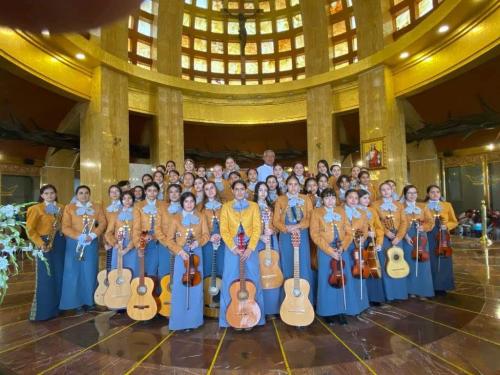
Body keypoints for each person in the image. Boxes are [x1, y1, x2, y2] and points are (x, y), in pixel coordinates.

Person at [219, 180, 265, 328]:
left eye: (242, 189)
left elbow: (257, 228)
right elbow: (223, 229)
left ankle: (254, 317)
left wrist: (251, 248)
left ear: (246, 190)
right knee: (230, 279)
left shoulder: (254, 206)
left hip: (250, 246)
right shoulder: (226, 207)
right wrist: (233, 248)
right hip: (232, 247)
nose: (239, 192)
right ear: (232, 191)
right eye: (236, 189)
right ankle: (231, 318)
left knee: (253, 278)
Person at [164, 192, 209, 331]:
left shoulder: (201, 217)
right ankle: (179, 322)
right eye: (186, 201)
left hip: (196, 254)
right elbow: (169, 240)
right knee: (180, 287)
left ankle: (194, 321)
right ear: (182, 203)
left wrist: (198, 243)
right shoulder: (175, 219)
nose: (189, 204)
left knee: (195, 286)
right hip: (181, 256)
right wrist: (180, 251)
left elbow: (206, 235)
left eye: (191, 201)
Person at [310, 189, 353, 325]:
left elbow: (349, 232)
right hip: (325, 250)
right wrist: (330, 251)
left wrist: (343, 247)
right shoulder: (317, 213)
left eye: (332, 198)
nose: (330, 201)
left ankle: (341, 311)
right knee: (326, 280)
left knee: (341, 279)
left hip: (341, 249)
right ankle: (327, 312)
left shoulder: (341, 211)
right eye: (327, 198)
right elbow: (315, 234)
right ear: (322, 200)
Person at [60, 185, 106, 313]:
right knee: (74, 272)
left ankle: (89, 301)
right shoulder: (69, 208)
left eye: (86, 193)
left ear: (89, 194)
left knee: (90, 271)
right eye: (81, 193)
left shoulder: (97, 207)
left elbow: (102, 223)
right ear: (76, 195)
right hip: (74, 243)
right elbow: (65, 227)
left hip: (91, 243)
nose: (84, 195)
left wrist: (93, 235)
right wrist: (79, 236)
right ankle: (76, 302)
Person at [26, 184, 66, 320]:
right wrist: (41, 243)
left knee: (60, 274)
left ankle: (58, 308)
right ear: (42, 195)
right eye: (46, 193)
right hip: (44, 243)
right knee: (46, 276)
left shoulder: (62, 207)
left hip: (60, 243)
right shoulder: (35, 209)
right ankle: (44, 311)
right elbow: (30, 230)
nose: (50, 195)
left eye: (52, 193)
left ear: (56, 194)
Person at [273, 175, 314, 303]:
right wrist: (286, 228)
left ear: (299, 186)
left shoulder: (306, 199)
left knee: (303, 265)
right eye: (290, 184)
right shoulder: (280, 200)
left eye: (295, 184)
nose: (293, 187)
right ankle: (288, 302)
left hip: (301, 235)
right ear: (286, 186)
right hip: (286, 237)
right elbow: (275, 221)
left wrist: (298, 226)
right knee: (288, 265)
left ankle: (306, 302)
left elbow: (310, 218)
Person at [372, 182, 408, 301]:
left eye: (388, 189)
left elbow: (404, 222)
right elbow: (377, 222)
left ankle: (400, 293)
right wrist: (387, 233)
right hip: (384, 238)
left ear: (392, 190)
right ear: (380, 192)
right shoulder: (375, 205)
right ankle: (389, 294)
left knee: (399, 262)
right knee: (386, 264)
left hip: (398, 238)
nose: (386, 191)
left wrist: (399, 236)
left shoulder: (399, 205)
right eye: (383, 190)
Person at [254, 181, 281, 317]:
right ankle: (260, 307)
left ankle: (273, 308)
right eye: (260, 190)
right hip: (258, 241)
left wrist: (273, 230)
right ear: (256, 192)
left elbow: (276, 224)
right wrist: (259, 236)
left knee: (273, 270)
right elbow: (248, 226)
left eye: (265, 190)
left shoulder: (271, 207)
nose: (263, 193)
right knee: (260, 272)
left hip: (271, 240)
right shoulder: (252, 207)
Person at [402, 185, 434, 298]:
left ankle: (423, 290)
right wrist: (405, 235)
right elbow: (399, 224)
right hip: (407, 237)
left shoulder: (423, 206)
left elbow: (431, 222)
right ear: (405, 194)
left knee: (423, 263)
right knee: (409, 261)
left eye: (414, 192)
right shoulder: (400, 207)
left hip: (421, 237)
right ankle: (411, 290)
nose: (412, 195)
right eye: (409, 193)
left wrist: (423, 227)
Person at [425, 184, 458, 295]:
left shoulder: (447, 205)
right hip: (429, 235)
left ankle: (443, 286)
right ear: (428, 194)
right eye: (432, 192)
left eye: (437, 192)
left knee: (444, 260)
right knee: (432, 260)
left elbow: (454, 221)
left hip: (443, 235)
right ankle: (432, 285)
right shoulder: (423, 206)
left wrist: (447, 226)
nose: (435, 194)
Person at [132, 182, 167, 279]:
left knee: (163, 269)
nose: (152, 193)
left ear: (158, 192)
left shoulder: (164, 205)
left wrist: (155, 236)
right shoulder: (138, 205)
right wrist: (138, 245)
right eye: (149, 191)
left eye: (155, 191)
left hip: (161, 238)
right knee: (146, 269)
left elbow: (166, 224)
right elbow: (136, 227)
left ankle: (161, 292)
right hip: (144, 239)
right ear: (145, 192)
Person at [357, 189, 385, 304]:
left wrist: (379, 242)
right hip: (360, 242)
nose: (367, 200)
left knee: (374, 267)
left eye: (368, 198)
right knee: (363, 269)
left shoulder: (372, 210)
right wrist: (365, 234)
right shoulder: (354, 211)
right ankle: (365, 298)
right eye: (364, 198)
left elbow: (379, 227)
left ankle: (375, 297)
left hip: (372, 242)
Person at [105, 191, 139, 277]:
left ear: (133, 200)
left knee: (132, 273)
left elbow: (137, 232)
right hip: (118, 247)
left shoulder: (138, 214)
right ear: (121, 200)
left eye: (129, 198)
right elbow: (108, 233)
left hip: (132, 247)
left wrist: (128, 248)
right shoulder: (115, 214)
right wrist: (115, 244)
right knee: (116, 274)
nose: (127, 201)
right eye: (124, 199)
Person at [200, 181, 225, 279]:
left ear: (216, 189)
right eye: (207, 189)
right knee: (208, 266)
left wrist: (221, 235)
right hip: (207, 241)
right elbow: (199, 227)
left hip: (223, 240)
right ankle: (208, 292)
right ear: (204, 192)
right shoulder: (201, 208)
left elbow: (228, 224)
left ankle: (222, 293)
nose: (210, 191)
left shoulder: (224, 206)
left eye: (212, 188)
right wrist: (209, 237)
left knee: (222, 266)